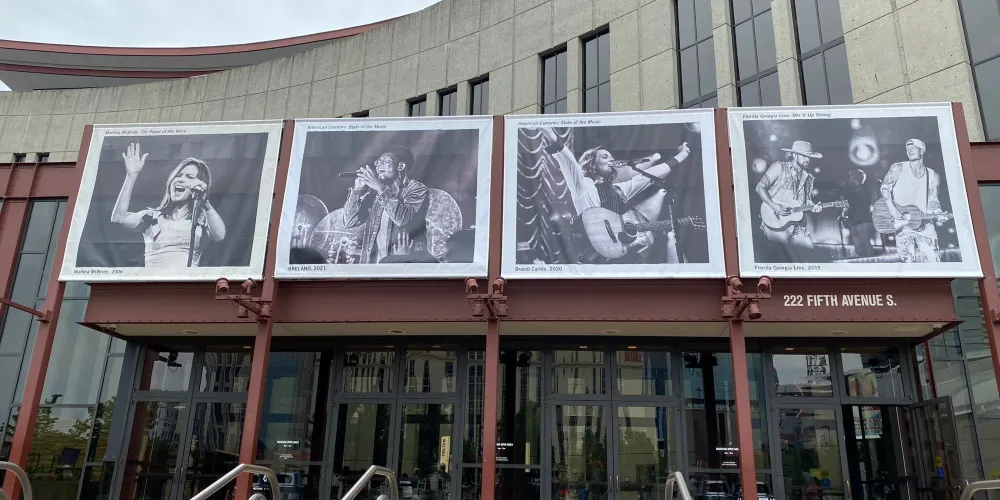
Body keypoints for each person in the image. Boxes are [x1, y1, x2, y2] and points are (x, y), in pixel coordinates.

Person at [530, 126, 690, 260]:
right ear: (592, 163)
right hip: (593, 252)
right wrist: (548, 131)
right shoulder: (583, 184)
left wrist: (682, 155)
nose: (610, 159)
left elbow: (651, 174)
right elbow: (568, 160)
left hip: (619, 254)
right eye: (605, 157)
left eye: (611, 156)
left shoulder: (619, 189)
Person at [110, 142, 226, 268]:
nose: (181, 179)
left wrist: (204, 202)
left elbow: (219, 235)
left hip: (185, 279)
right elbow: (118, 218)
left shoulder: (201, 219)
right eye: (178, 175)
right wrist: (131, 175)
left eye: (189, 177)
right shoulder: (152, 217)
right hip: (154, 278)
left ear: (200, 184)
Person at [343, 145, 430, 264]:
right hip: (375, 264)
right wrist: (357, 190)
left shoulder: (417, 189)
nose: (379, 165)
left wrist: (379, 187)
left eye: (385, 161)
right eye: (377, 162)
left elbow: (402, 218)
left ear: (400, 166)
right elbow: (349, 221)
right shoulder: (373, 194)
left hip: (406, 263)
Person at [880, 138, 950, 263]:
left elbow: (933, 200)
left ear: (922, 150)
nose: (909, 151)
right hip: (903, 225)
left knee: (934, 261)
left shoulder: (933, 175)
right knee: (908, 263)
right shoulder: (898, 167)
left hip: (925, 224)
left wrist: (938, 213)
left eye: (913, 148)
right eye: (907, 149)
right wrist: (891, 208)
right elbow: (885, 188)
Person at [755, 140, 823, 249]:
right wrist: (775, 207)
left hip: (798, 224)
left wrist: (814, 207)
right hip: (775, 222)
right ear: (795, 155)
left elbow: (806, 203)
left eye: (810, 157)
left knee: (809, 250)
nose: (808, 160)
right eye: (805, 156)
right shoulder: (779, 168)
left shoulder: (809, 179)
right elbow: (760, 187)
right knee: (781, 254)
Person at [835, 168, 877, 258]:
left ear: (856, 178)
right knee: (857, 244)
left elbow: (860, 201)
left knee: (865, 242)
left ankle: (871, 260)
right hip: (854, 221)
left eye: (851, 176)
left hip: (863, 220)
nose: (849, 178)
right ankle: (862, 259)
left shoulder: (865, 189)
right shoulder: (851, 191)